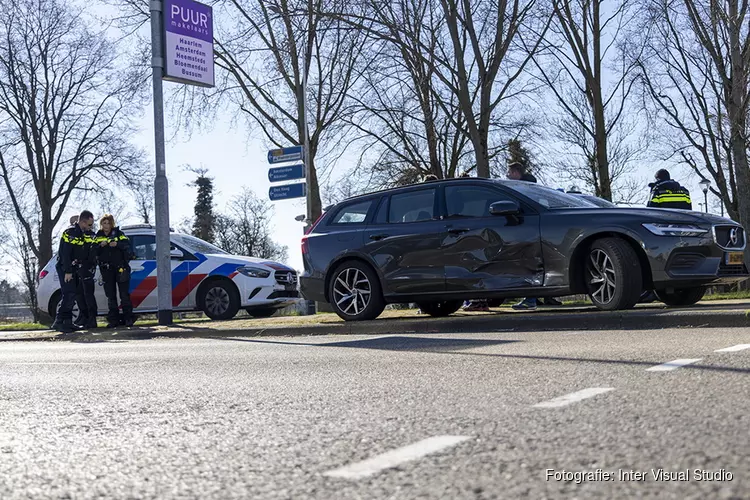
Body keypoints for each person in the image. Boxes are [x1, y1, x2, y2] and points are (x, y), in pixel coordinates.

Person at [52, 211, 95, 334]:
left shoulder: (83, 234)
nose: (90, 227)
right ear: (82, 222)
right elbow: (65, 253)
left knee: (73, 294)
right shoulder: (70, 233)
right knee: (69, 294)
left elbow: (85, 252)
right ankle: (59, 321)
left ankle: (68, 323)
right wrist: (68, 271)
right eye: (89, 224)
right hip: (66, 268)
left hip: (75, 268)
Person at [95, 214, 134, 328]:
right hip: (106, 269)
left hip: (120, 268)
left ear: (112, 224)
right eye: (104, 223)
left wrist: (117, 244)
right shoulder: (98, 236)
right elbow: (92, 251)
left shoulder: (119, 234)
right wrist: (100, 246)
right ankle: (114, 320)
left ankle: (128, 319)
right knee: (110, 296)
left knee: (124, 295)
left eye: (108, 223)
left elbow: (128, 247)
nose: (106, 225)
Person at [73, 217, 99, 329]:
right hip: (78, 268)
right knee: (79, 295)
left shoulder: (92, 236)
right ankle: (84, 317)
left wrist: (90, 265)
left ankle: (92, 319)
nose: (90, 227)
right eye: (89, 224)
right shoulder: (78, 234)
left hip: (87, 268)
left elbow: (93, 252)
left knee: (88, 295)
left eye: (91, 225)